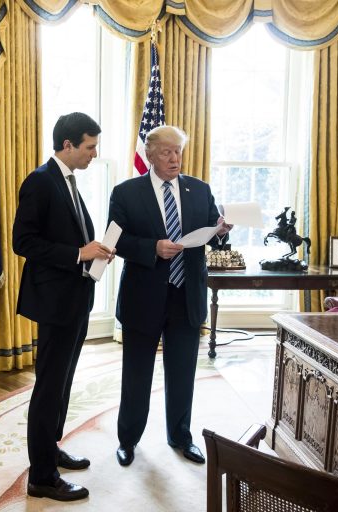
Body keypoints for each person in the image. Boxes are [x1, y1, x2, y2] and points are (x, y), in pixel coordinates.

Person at [108, 125, 232, 468]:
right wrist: (152, 247)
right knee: (137, 375)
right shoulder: (126, 192)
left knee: (182, 373)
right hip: (143, 298)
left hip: (186, 297)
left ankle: (181, 436)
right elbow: (115, 241)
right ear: (150, 155)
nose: (175, 158)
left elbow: (213, 234)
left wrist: (222, 231)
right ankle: (128, 440)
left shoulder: (200, 189)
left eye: (178, 151)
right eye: (166, 152)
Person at [12, 112, 115, 502]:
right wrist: (78, 252)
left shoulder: (68, 181)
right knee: (49, 386)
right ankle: (41, 476)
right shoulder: (40, 182)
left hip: (75, 298)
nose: (94, 154)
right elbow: (23, 242)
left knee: (63, 383)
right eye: (90, 147)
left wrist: (96, 251)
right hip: (54, 302)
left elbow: (72, 236)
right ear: (68, 145)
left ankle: (49, 449)